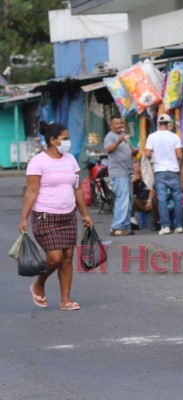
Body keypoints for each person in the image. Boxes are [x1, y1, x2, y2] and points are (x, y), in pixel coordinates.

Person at [19, 123, 93, 311]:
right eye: (65, 138)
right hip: (45, 217)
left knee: (67, 258)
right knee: (55, 257)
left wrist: (84, 214)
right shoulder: (38, 162)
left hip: (68, 216)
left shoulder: (71, 160)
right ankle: (38, 284)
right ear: (53, 140)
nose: (67, 142)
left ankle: (65, 300)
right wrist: (24, 218)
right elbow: (32, 191)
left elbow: (76, 189)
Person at [145, 114, 183, 235]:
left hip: (159, 170)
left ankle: (165, 226)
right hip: (173, 170)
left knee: (162, 199)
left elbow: (147, 154)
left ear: (158, 124)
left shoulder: (152, 137)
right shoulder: (174, 137)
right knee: (177, 198)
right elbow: (180, 156)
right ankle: (178, 226)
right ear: (169, 124)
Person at [104, 115, 138, 236]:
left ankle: (126, 226)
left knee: (128, 200)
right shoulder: (110, 136)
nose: (120, 125)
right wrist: (118, 141)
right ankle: (117, 226)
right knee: (122, 199)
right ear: (111, 126)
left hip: (127, 172)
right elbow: (108, 149)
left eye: (121, 123)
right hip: (118, 172)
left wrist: (135, 150)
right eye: (117, 124)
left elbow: (130, 150)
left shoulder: (123, 136)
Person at [131, 159, 159, 230]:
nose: (134, 169)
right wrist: (131, 182)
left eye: (136, 167)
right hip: (140, 201)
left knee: (156, 200)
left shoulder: (148, 176)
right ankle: (133, 222)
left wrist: (149, 201)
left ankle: (156, 222)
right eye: (133, 167)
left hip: (149, 200)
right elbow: (130, 193)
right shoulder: (133, 179)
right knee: (129, 200)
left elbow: (152, 189)